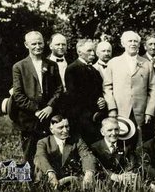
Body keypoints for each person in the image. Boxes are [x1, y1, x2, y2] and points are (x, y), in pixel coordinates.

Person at [12, 31, 63, 171]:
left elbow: (59, 89)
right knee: (29, 152)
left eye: (40, 43)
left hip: (49, 116)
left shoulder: (52, 65)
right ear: (26, 45)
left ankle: (51, 179)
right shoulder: (19, 67)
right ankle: (30, 184)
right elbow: (18, 95)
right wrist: (36, 109)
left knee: (51, 150)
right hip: (29, 118)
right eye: (33, 43)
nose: (37, 46)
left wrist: (50, 107)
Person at [104, 31, 155, 143]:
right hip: (120, 111)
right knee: (120, 143)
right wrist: (112, 108)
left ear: (139, 44)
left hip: (140, 112)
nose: (133, 44)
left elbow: (153, 89)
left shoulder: (146, 64)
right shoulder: (113, 62)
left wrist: (149, 112)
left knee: (139, 144)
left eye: (135, 41)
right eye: (130, 41)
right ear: (123, 43)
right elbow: (107, 87)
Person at [34, 115, 96, 189]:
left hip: (73, 179)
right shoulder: (43, 142)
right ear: (51, 130)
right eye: (60, 128)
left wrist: (89, 172)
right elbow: (41, 157)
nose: (65, 130)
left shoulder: (77, 140)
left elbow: (87, 155)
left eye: (67, 126)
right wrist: (51, 174)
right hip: (51, 178)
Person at [65, 39, 106, 144]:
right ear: (79, 52)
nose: (93, 54)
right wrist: (93, 106)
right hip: (81, 118)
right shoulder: (72, 69)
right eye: (89, 51)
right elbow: (73, 96)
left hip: (95, 117)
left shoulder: (94, 70)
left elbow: (99, 90)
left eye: (93, 50)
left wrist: (101, 100)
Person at [91, 117, 137, 182]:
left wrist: (128, 175)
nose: (114, 133)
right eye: (109, 130)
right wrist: (113, 176)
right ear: (102, 132)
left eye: (116, 129)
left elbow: (132, 164)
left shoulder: (126, 146)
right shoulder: (95, 148)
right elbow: (95, 168)